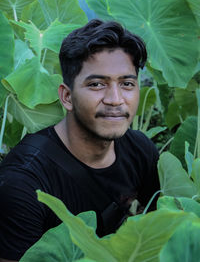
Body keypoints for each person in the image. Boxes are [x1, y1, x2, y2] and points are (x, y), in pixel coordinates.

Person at [0, 19, 160, 261]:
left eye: (127, 84)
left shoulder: (140, 150)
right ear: (67, 97)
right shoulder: (22, 182)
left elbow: (163, 228)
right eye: (97, 84)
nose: (115, 99)